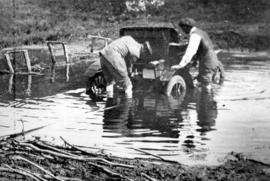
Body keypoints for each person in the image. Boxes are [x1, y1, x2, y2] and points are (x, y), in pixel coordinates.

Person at [171, 18, 225, 90]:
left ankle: (207, 98)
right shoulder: (200, 32)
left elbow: (191, 51)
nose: (181, 31)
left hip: (208, 61)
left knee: (205, 84)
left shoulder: (195, 35)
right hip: (210, 57)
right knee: (201, 81)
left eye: (181, 29)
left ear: (186, 27)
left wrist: (180, 65)